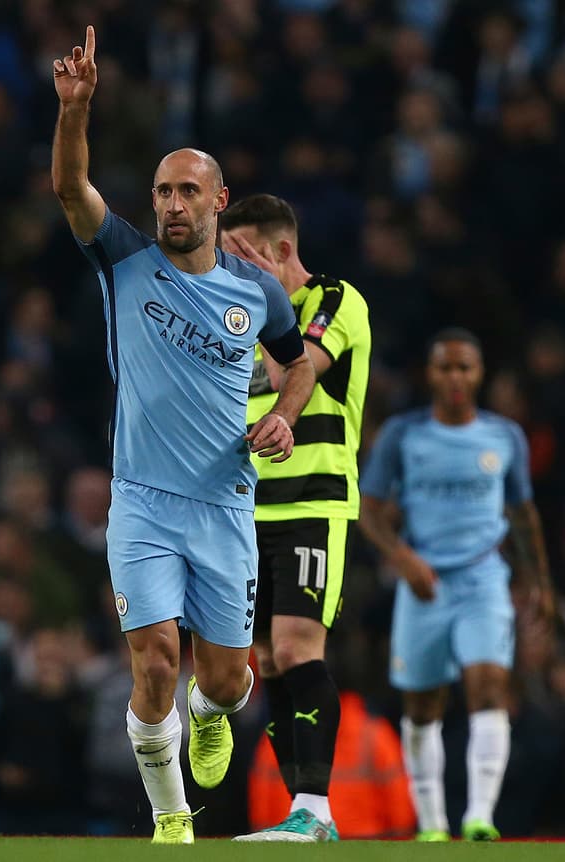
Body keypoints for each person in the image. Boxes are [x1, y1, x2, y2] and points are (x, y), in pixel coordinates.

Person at [52, 26, 316, 845]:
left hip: (225, 505)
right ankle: (172, 820)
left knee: (230, 682)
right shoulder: (124, 258)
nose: (170, 203)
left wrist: (283, 414)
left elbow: (299, 363)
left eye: (186, 193)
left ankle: (212, 712)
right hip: (141, 501)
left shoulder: (257, 294)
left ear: (217, 201)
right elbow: (70, 189)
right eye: (163, 190)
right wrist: (76, 111)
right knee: (153, 659)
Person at [358, 329, 553, 841]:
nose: (456, 378)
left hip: (484, 577)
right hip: (424, 581)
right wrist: (403, 558)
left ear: (479, 373)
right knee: (424, 705)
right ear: (431, 374)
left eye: (465, 368)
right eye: (446, 368)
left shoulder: (504, 436)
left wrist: (540, 583)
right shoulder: (403, 435)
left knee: (489, 688)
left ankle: (480, 817)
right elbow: (368, 509)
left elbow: (523, 513)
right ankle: (434, 825)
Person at [218, 193, 372, 842]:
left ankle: (316, 809)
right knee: (266, 665)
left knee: (294, 647)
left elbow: (296, 370)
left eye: (245, 260)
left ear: (282, 252)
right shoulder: (233, 316)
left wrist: (263, 302)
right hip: (244, 509)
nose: (234, 275)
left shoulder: (337, 300)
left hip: (313, 501)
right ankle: (301, 819)